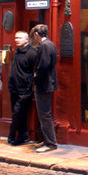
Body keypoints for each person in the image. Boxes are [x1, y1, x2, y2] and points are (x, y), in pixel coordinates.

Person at [6, 31, 39, 146]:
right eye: (15, 38)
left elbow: (36, 71)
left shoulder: (32, 53)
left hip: (25, 89)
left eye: (19, 38)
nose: (16, 40)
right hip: (14, 87)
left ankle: (13, 135)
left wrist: (32, 86)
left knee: (18, 112)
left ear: (27, 40)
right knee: (19, 113)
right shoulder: (17, 52)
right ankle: (22, 136)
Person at [32, 24, 59, 152]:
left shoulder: (44, 45)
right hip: (48, 82)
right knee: (45, 114)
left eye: (34, 35)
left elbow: (43, 65)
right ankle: (46, 140)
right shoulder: (50, 44)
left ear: (37, 34)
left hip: (44, 84)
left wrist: (35, 77)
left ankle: (50, 143)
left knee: (44, 114)